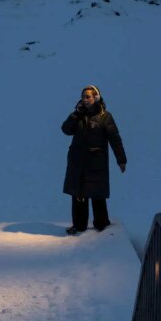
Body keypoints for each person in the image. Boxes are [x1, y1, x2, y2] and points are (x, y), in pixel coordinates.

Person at [61, 85, 127, 235]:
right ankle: (79, 225)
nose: (85, 100)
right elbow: (65, 130)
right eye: (83, 97)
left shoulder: (105, 117)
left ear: (96, 97)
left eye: (88, 96)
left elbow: (115, 139)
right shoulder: (78, 115)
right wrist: (75, 114)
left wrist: (121, 160)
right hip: (78, 162)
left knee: (97, 195)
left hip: (96, 163)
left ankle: (102, 225)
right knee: (79, 195)